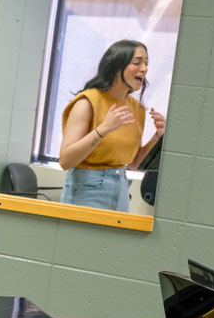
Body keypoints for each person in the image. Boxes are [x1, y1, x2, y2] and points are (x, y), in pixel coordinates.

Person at [58, 40, 166, 212]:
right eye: (137, 62)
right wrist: (104, 129)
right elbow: (65, 161)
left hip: (121, 188)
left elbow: (134, 163)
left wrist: (158, 136)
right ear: (117, 67)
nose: (144, 68)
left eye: (146, 63)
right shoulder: (88, 101)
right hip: (87, 189)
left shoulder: (136, 108)